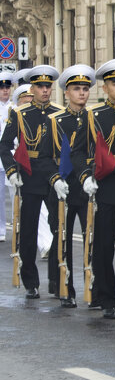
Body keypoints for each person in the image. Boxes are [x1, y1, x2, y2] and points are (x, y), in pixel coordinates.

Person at [72, 59, 115, 318]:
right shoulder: (92, 116)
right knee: (104, 244)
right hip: (105, 186)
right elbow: (77, 153)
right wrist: (86, 176)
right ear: (104, 87)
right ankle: (107, 297)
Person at [0, 65, 60, 298]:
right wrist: (12, 169)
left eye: (48, 86)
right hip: (30, 174)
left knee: (58, 227)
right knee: (28, 229)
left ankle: (55, 279)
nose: (45, 91)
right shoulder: (20, 113)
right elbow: (5, 145)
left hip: (53, 176)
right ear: (32, 88)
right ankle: (31, 281)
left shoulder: (58, 112)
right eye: (40, 86)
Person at [39, 65, 95, 307]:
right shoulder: (54, 121)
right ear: (66, 93)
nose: (82, 93)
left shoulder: (94, 120)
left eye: (85, 89)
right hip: (61, 187)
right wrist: (55, 180)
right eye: (76, 89)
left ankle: (92, 288)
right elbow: (43, 157)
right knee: (61, 237)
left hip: (85, 187)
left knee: (91, 238)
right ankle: (64, 286)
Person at [0, 70, 13, 241]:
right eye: (2, 87)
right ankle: (1, 229)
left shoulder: (15, 108)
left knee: (15, 195)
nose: (5, 90)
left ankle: (18, 227)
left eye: (7, 87)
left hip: (11, 158)